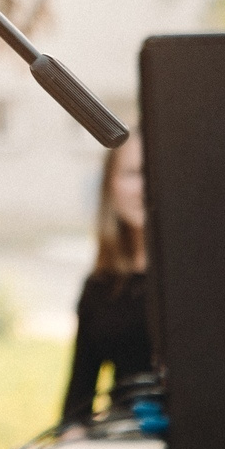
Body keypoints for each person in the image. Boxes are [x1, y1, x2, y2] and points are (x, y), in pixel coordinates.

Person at [60, 133, 152, 432]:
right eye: (133, 173)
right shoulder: (99, 288)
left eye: (154, 172)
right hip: (124, 435)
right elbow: (77, 406)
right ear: (110, 185)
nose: (145, 187)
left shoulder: (204, 281)